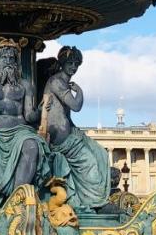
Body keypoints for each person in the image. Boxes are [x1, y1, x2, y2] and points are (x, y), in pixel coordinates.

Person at [0, 38, 63, 212]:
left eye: (12, 58)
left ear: (16, 62)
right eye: (4, 58)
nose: (8, 62)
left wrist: (41, 110)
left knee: (32, 147)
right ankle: (10, 195)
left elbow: (29, 116)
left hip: (19, 132)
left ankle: (17, 197)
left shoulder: (25, 85)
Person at [38, 46, 110, 210]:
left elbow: (66, 114)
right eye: (70, 63)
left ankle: (93, 198)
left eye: (76, 64)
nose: (74, 67)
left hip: (69, 133)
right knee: (90, 163)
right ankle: (96, 201)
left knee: (101, 154)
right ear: (62, 63)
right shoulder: (57, 81)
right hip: (61, 139)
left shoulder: (62, 82)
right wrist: (80, 92)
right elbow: (76, 106)